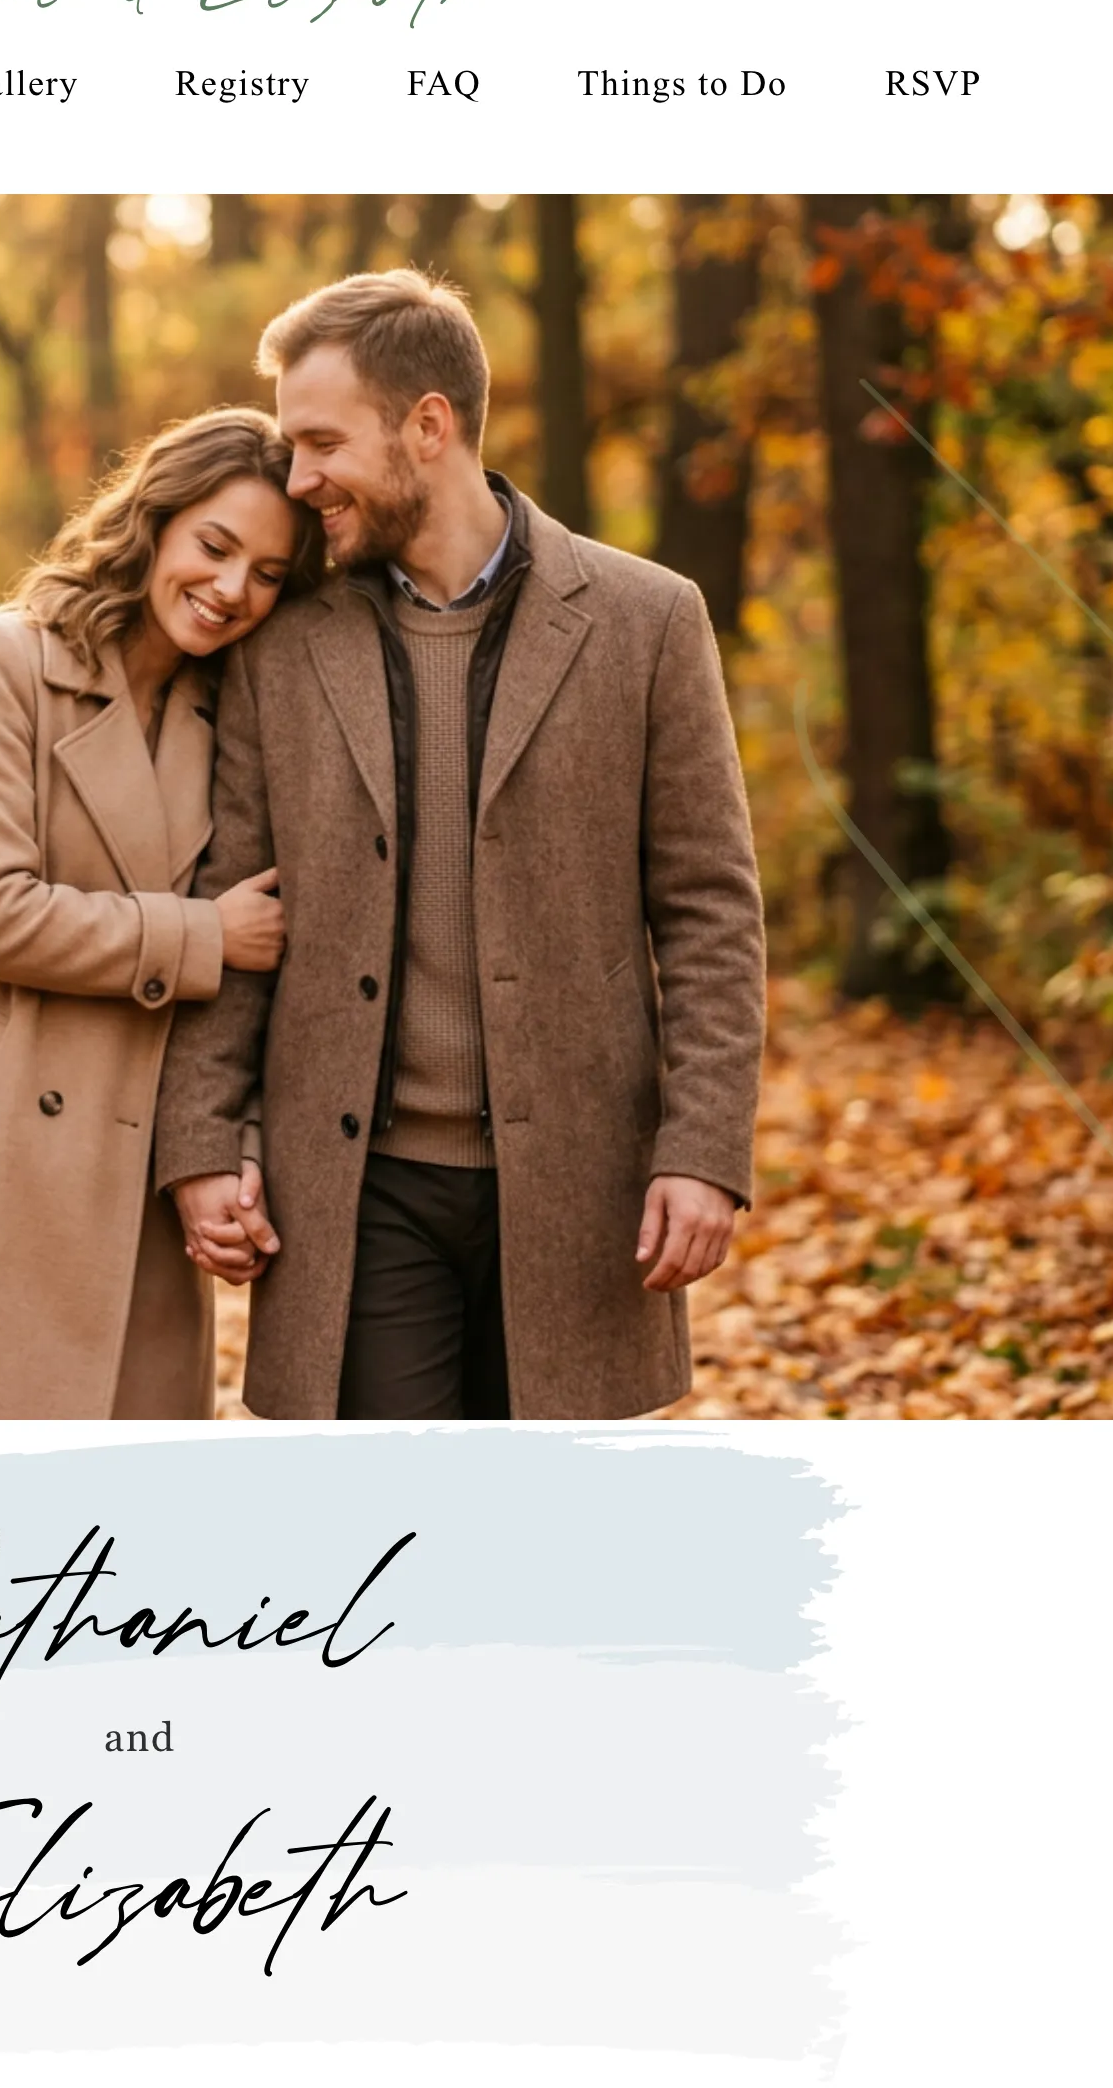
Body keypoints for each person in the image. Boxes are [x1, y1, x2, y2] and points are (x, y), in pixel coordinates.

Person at [154, 270, 769, 1419]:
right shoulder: (280, 644)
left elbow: (708, 909)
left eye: (321, 441)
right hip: (355, 1189)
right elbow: (233, 899)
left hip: (582, 1188)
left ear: (427, 425)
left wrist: (703, 1148)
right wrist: (202, 1141)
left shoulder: (646, 621)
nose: (298, 479)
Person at [0, 410, 319, 1418]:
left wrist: (234, 1144)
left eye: (266, 573)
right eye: (214, 547)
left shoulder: (235, 720)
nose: (229, 590)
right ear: (154, 522)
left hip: (129, 1158)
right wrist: (200, 937)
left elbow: (265, 979)